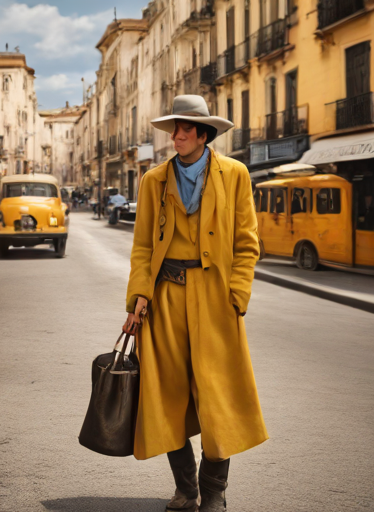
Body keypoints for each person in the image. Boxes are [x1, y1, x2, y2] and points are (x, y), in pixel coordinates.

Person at [123, 95, 268, 512]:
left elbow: (247, 242)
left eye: (186, 129)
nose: (177, 136)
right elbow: (143, 246)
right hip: (164, 299)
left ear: (203, 134)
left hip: (215, 299)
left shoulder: (235, 174)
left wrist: (238, 296)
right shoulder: (154, 180)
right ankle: (186, 490)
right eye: (174, 129)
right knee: (166, 396)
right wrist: (137, 299)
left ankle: (215, 492)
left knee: (217, 395)